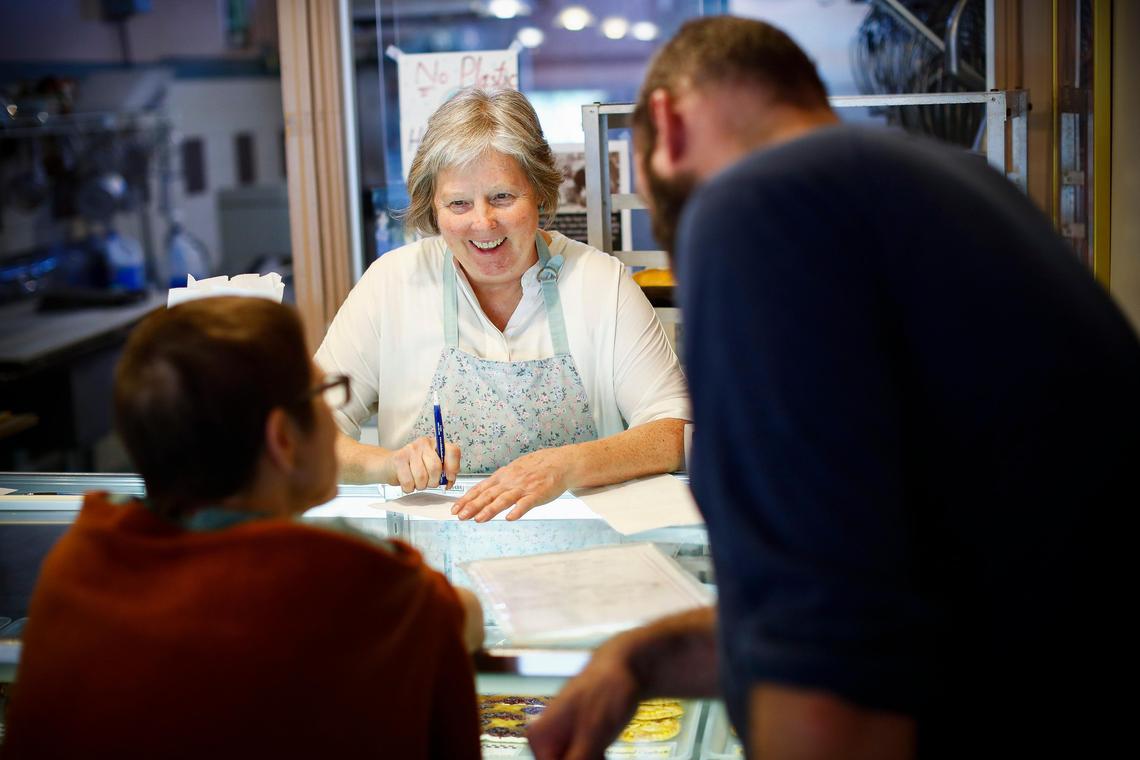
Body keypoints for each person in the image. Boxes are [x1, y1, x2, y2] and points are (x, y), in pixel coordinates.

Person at [529, 16, 1137, 760]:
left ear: (667, 123)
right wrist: (640, 661)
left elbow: (832, 670)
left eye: (658, 207)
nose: (671, 229)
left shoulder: (755, 205)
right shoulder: (954, 186)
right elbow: (890, 579)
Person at [4, 296, 484, 759]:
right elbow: (461, 617)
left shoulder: (77, 562)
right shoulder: (355, 581)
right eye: (324, 393)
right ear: (282, 439)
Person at [316, 88, 690, 522]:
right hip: (435, 572)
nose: (483, 223)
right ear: (433, 209)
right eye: (458, 203)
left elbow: (673, 432)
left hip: (585, 564)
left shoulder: (601, 284)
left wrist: (568, 465)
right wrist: (386, 463)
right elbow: (309, 431)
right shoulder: (391, 284)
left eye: (502, 198)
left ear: (540, 194)